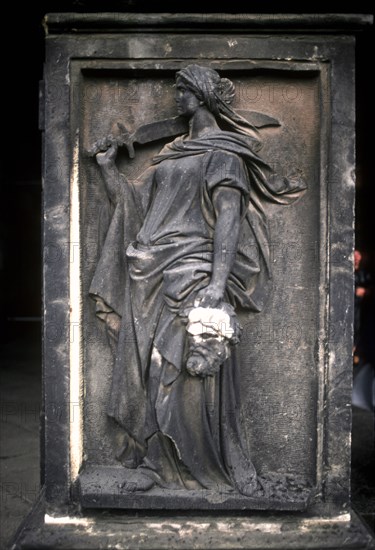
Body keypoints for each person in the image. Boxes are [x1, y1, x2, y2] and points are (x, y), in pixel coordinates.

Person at [89, 64, 306, 494]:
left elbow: (229, 218)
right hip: (152, 273)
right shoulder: (174, 154)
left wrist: (216, 283)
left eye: (183, 89)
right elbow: (134, 205)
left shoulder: (225, 154)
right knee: (153, 373)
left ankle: (201, 470)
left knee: (188, 374)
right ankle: (160, 467)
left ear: (203, 95)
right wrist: (107, 170)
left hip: (195, 272)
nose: (176, 97)